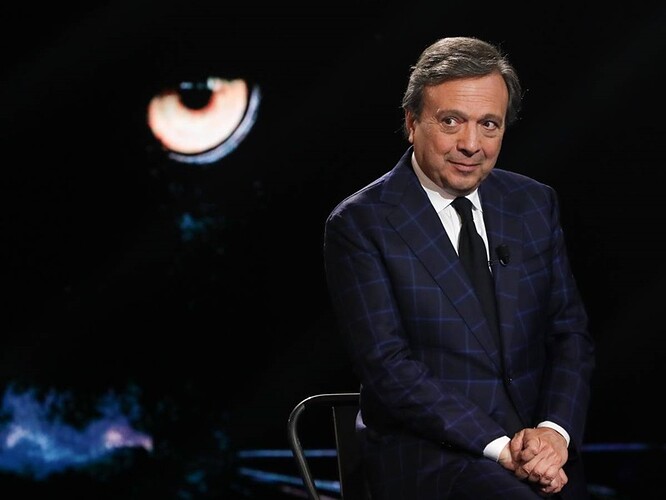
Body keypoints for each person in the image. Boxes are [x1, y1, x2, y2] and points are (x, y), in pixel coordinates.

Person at [323, 36, 595, 499]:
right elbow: (389, 369)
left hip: (536, 450)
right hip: (428, 456)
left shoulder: (532, 203)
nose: (471, 145)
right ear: (412, 122)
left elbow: (570, 335)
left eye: (489, 124)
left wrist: (554, 433)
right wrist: (501, 448)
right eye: (451, 121)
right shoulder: (361, 223)